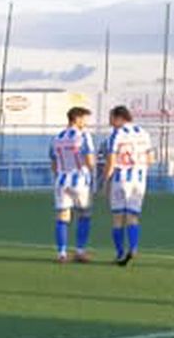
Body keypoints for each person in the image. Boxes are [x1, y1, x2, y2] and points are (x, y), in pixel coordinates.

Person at [102, 105, 155, 266]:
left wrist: (105, 181)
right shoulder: (144, 133)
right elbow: (151, 159)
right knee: (133, 216)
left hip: (121, 178)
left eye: (111, 118)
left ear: (119, 118)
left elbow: (111, 162)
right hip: (139, 180)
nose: (110, 121)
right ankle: (133, 247)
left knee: (118, 218)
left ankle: (119, 254)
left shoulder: (116, 135)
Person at [50, 106, 97, 262]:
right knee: (84, 215)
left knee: (62, 216)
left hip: (61, 181)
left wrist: (60, 175)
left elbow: (54, 163)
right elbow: (90, 161)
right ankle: (80, 251)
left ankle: (62, 253)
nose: (86, 122)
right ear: (76, 119)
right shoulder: (83, 136)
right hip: (80, 181)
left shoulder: (57, 138)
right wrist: (92, 172)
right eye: (84, 118)